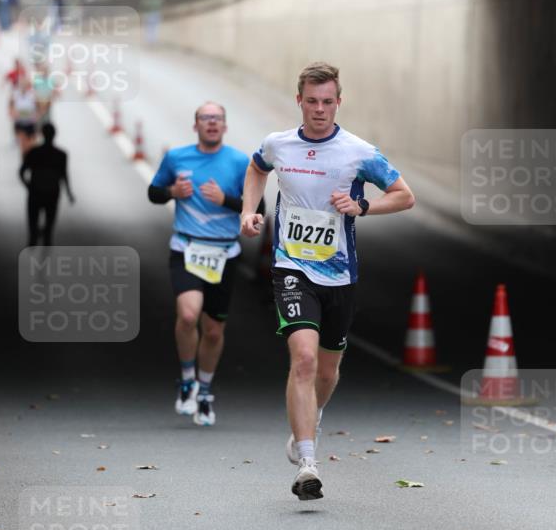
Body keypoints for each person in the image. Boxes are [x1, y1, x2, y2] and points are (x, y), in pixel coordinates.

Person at [241, 61, 415, 501]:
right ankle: (307, 462)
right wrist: (249, 210)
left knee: (327, 370)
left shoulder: (359, 152)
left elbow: (405, 196)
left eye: (328, 102)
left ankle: (311, 418)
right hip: (292, 267)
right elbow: (256, 168)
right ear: (299, 101)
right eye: (312, 102)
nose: (320, 110)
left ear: (339, 102)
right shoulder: (278, 145)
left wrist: (363, 208)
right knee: (302, 358)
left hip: (339, 276)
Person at [148, 101, 261, 427]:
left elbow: (258, 206)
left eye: (217, 119)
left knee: (213, 331)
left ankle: (205, 391)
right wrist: (172, 190)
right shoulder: (176, 157)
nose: (211, 124)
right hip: (186, 246)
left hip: (223, 254)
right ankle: (187, 380)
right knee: (187, 314)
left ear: (225, 126)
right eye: (205, 119)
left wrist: (225, 200)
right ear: (195, 125)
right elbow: (153, 193)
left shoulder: (241, 163)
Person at [19, 123, 74, 246]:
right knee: (49, 229)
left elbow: (22, 172)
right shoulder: (61, 155)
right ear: (54, 135)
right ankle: (46, 256)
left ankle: (30, 256)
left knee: (33, 230)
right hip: (52, 194)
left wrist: (28, 186)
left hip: (35, 193)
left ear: (42, 134)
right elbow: (64, 175)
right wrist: (69, 193)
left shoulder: (34, 153)